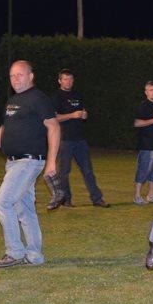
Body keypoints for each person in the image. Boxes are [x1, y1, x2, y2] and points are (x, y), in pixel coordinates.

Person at [0, 60, 59, 267]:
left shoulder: (39, 98)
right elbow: (4, 131)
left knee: (3, 202)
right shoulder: (12, 100)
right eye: (12, 75)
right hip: (13, 163)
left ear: (31, 76)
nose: (15, 79)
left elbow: (54, 127)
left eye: (20, 75)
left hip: (28, 161)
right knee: (24, 208)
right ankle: (34, 256)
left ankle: (14, 252)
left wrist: (51, 162)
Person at [50, 69, 109, 209]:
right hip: (64, 139)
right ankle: (66, 200)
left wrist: (84, 114)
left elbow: (82, 112)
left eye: (70, 79)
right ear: (59, 81)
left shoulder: (77, 95)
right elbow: (54, 118)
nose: (68, 82)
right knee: (63, 172)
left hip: (80, 139)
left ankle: (97, 199)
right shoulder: (56, 97)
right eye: (65, 79)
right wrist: (72, 115)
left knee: (88, 170)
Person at [133, 81, 153, 204]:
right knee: (144, 169)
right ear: (146, 92)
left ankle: (151, 195)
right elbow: (136, 123)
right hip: (146, 144)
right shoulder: (143, 106)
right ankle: (137, 196)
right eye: (151, 90)